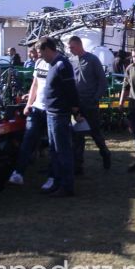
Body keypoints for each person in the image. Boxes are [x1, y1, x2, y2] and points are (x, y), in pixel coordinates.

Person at [37, 36, 82, 197]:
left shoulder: (62, 65)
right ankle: (56, 182)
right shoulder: (54, 65)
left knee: (62, 151)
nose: (40, 57)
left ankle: (66, 186)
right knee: (54, 151)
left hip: (59, 115)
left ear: (47, 49)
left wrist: (76, 111)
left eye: (41, 53)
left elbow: (71, 91)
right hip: (51, 114)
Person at [8, 47, 52, 189]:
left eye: (39, 52)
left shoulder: (56, 63)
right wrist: (28, 104)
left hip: (51, 110)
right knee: (28, 140)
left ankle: (52, 176)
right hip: (36, 108)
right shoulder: (39, 63)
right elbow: (35, 84)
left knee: (54, 144)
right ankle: (18, 173)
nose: (36, 55)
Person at [67, 36, 111, 172]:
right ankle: (78, 165)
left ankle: (105, 154)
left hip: (90, 103)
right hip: (76, 104)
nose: (70, 50)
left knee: (95, 132)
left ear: (80, 46)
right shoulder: (71, 61)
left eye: (72, 47)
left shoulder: (92, 60)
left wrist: (95, 98)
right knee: (77, 135)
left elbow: (102, 81)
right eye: (69, 47)